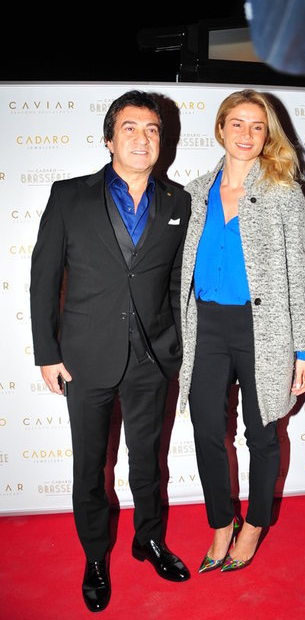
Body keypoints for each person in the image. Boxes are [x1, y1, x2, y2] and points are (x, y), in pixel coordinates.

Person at [30, 90, 191, 612]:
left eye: (152, 129)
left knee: (148, 461)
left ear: (162, 141)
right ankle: (96, 556)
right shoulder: (68, 196)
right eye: (130, 128)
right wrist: (46, 352)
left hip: (151, 358)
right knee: (90, 467)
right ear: (108, 139)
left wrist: (174, 345)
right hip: (84, 358)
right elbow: (43, 279)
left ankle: (149, 540)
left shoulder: (178, 201)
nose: (142, 138)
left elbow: (175, 281)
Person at [178, 89, 305, 573]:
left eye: (257, 126)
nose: (246, 133)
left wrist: (304, 350)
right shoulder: (193, 192)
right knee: (206, 430)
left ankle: (254, 524)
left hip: (264, 330)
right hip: (206, 327)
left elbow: (299, 274)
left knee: (262, 433)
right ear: (220, 129)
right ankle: (221, 522)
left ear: (267, 134)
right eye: (237, 123)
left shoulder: (285, 192)